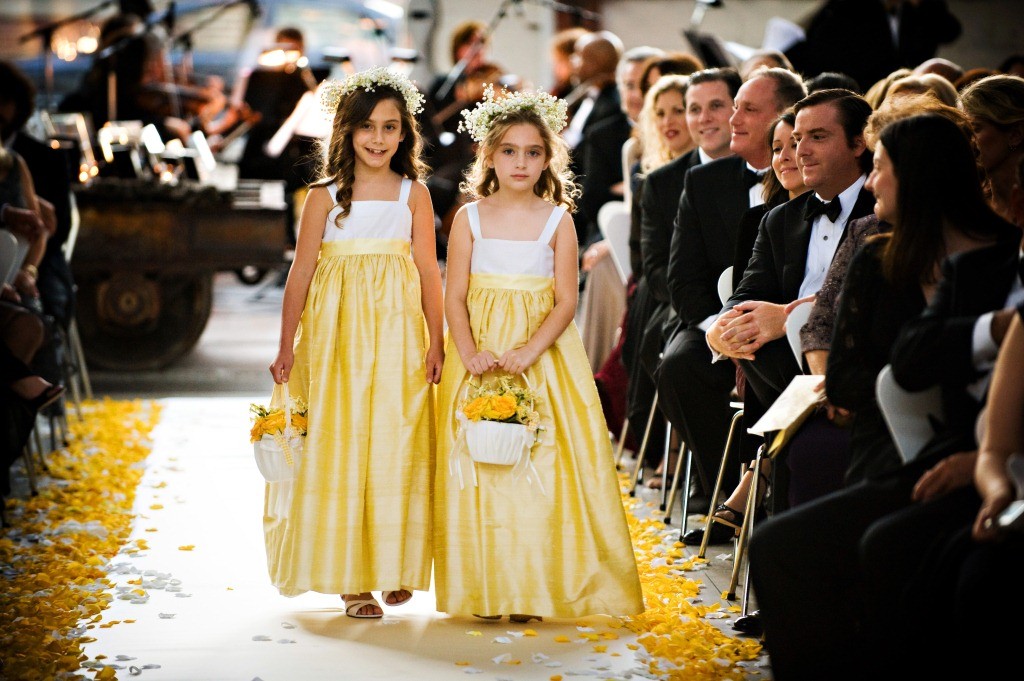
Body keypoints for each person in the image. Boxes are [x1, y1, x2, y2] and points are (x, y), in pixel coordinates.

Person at [747, 112, 1019, 680]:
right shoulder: (881, 254)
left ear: (915, 178)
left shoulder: (993, 261)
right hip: (895, 443)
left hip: (970, 455)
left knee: (884, 548)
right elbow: (888, 366)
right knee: (785, 536)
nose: (870, 183)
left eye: (881, 168)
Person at [434, 87, 644, 621]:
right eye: (509, 151)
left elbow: (567, 298)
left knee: (540, 462)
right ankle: (484, 586)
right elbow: (452, 294)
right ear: (488, 156)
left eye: (532, 152)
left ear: (548, 157)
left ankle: (531, 587)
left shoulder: (558, 220)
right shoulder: (469, 219)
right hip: (478, 352)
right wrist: (470, 352)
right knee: (478, 466)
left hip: (540, 353)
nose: (521, 162)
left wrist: (529, 350)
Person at [264, 67, 444, 619]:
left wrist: (436, 340)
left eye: (390, 127)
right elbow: (300, 274)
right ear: (345, 131)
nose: (378, 138)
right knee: (342, 443)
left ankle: (393, 562)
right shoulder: (323, 197)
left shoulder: (414, 195)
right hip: (336, 335)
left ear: (404, 134)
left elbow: (428, 273)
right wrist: (286, 344)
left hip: (397, 334)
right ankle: (353, 579)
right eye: (366, 126)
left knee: (397, 440)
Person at [655, 68, 805, 515]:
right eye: (733, 106)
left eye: (748, 109)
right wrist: (724, 331)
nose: (733, 119)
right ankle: (717, 485)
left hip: (784, 323)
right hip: (715, 319)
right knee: (677, 367)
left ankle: (761, 488)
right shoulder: (703, 182)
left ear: (784, 118)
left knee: (769, 368)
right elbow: (681, 278)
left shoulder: (804, 181)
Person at [958, 74, 1024, 225]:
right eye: (962, 128)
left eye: (975, 128)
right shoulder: (968, 205)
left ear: (1016, 134)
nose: (965, 138)